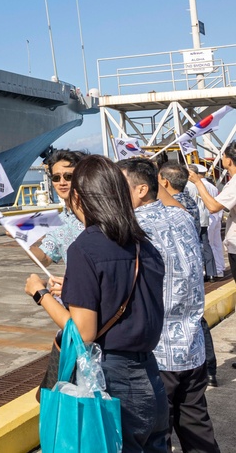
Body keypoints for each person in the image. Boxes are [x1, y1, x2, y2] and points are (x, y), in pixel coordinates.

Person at [25, 155, 167, 453]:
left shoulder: (85, 248)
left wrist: (41, 294)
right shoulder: (145, 245)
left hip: (111, 376)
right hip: (151, 375)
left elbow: (83, 333)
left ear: (79, 196)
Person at [119, 158, 220, 453]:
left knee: (156, 436)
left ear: (139, 190)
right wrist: (151, 172)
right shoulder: (182, 217)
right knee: (196, 426)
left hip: (158, 352)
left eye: (118, 183)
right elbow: (167, 198)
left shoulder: (133, 228)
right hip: (192, 347)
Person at [32, 149, 86, 266]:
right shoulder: (59, 221)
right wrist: (24, 241)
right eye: (56, 178)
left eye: (68, 177)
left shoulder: (101, 213)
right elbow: (45, 258)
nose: (62, 182)